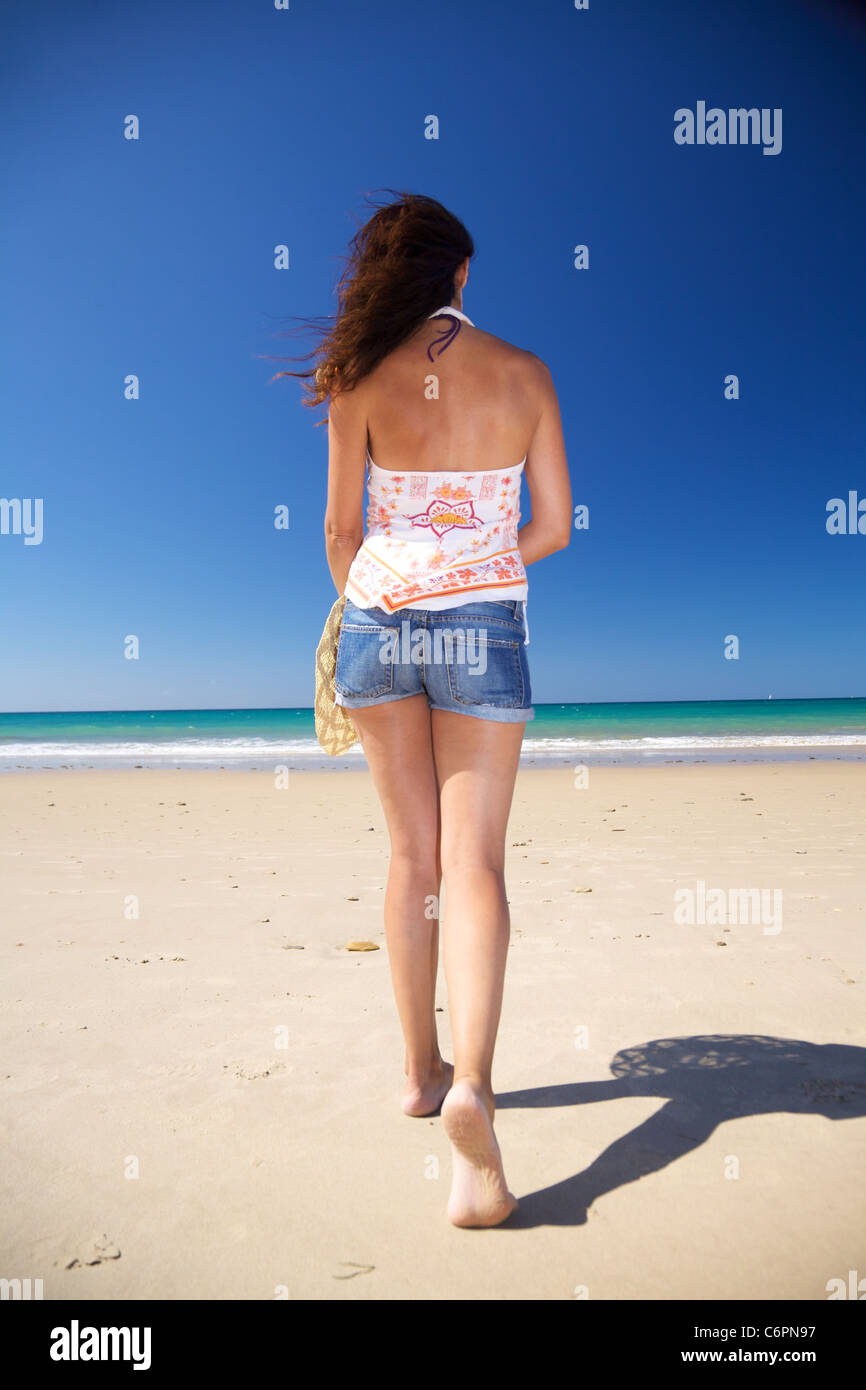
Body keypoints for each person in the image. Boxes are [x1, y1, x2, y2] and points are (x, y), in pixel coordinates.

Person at [281, 191, 571, 1227]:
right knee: (474, 863)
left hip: (378, 620)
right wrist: (473, 560)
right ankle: (474, 1089)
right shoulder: (524, 373)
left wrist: (379, 594)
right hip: (481, 622)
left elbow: (335, 530)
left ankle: (415, 1072)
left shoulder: (355, 379)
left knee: (411, 859)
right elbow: (553, 527)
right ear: (458, 274)